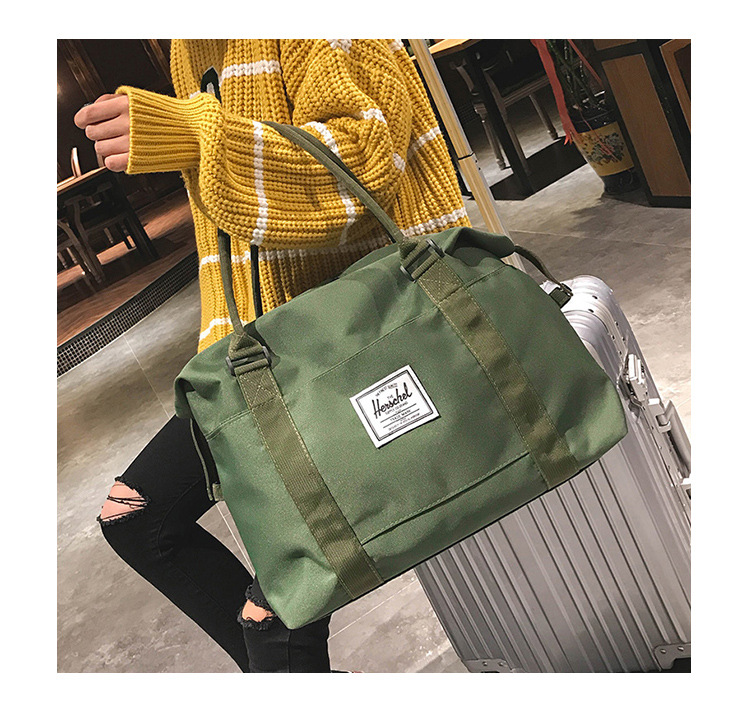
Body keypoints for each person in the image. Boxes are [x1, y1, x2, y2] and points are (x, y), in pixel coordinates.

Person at [75, 38, 471, 673]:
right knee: (135, 517)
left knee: (274, 623)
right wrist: (222, 363)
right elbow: (231, 235)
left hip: (369, 338)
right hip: (270, 352)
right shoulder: (188, 44)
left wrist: (195, 134)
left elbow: (366, 159)